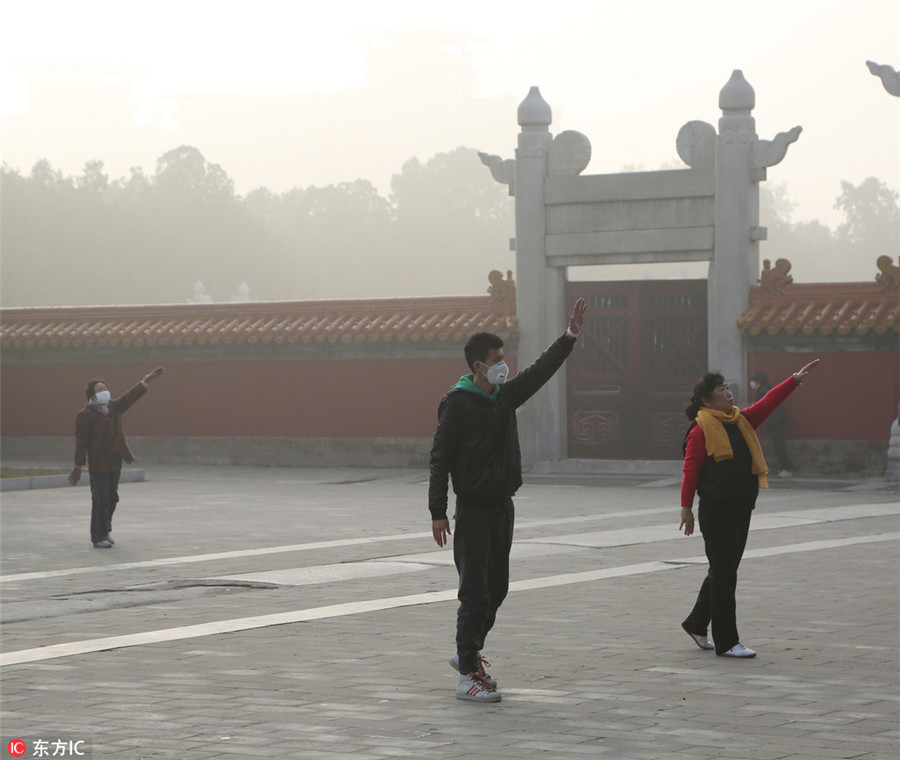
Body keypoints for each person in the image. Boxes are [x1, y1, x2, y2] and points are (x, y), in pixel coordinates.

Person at [429, 298, 587, 702]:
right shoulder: (458, 404)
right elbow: (440, 458)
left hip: (503, 505)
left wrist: (569, 337)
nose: (504, 364)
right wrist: (437, 511)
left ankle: (467, 653)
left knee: (497, 588)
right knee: (475, 592)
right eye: (497, 359)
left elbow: (540, 371)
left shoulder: (503, 397)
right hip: (473, 509)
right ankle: (467, 676)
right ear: (478, 366)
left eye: (503, 357)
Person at [678, 359, 820, 658]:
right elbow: (690, 470)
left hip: (741, 507)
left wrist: (794, 379)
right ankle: (728, 642)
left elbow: (768, 402)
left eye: (728, 388)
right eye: (722, 390)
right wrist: (686, 508)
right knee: (725, 575)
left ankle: (696, 623)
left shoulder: (741, 420)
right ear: (707, 400)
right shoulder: (700, 429)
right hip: (716, 510)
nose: (729, 393)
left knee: (723, 570)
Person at [68, 368, 165, 547]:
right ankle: (98, 537)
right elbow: (81, 443)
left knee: (112, 498)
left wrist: (145, 381)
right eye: (99, 389)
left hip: (114, 461)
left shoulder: (114, 407)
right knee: (101, 499)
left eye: (105, 388)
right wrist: (78, 466)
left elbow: (129, 397)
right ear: (92, 395)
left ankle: (105, 530)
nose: (104, 391)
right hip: (98, 465)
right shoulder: (85, 415)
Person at [749, 371, 792, 477]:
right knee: (779, 444)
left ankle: (786, 469)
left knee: (779, 445)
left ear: (758, 381)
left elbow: (759, 406)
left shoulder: (762, 391)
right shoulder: (767, 388)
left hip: (774, 420)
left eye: (753, 381)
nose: (752, 383)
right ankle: (785, 468)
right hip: (777, 419)